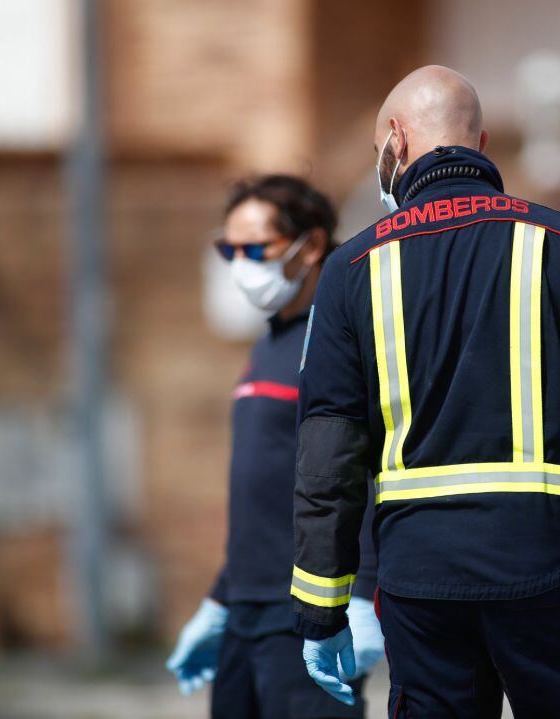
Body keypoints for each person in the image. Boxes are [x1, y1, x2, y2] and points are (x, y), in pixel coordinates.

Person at [291, 66, 560, 718]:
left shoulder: (351, 272)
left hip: (418, 582)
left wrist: (321, 604)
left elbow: (329, 452)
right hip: (543, 565)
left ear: (395, 142)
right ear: (480, 142)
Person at [167, 175, 384, 718]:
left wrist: (362, 594)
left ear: (309, 246)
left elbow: (369, 472)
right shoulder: (269, 343)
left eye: (255, 248)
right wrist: (221, 599)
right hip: (246, 612)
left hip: (310, 615)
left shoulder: (345, 339)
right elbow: (261, 493)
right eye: (229, 249)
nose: (240, 263)